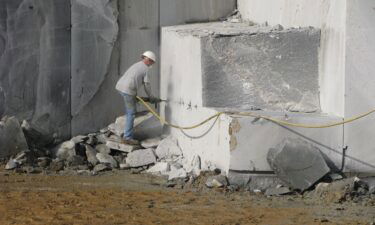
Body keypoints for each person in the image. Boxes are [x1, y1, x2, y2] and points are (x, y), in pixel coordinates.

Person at [115, 51, 158, 145]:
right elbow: (147, 85)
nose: (151, 64)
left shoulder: (137, 65)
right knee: (131, 113)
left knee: (131, 102)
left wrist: (134, 96)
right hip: (128, 90)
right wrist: (151, 97)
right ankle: (127, 137)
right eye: (151, 62)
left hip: (120, 87)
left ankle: (125, 130)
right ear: (149, 60)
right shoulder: (145, 69)